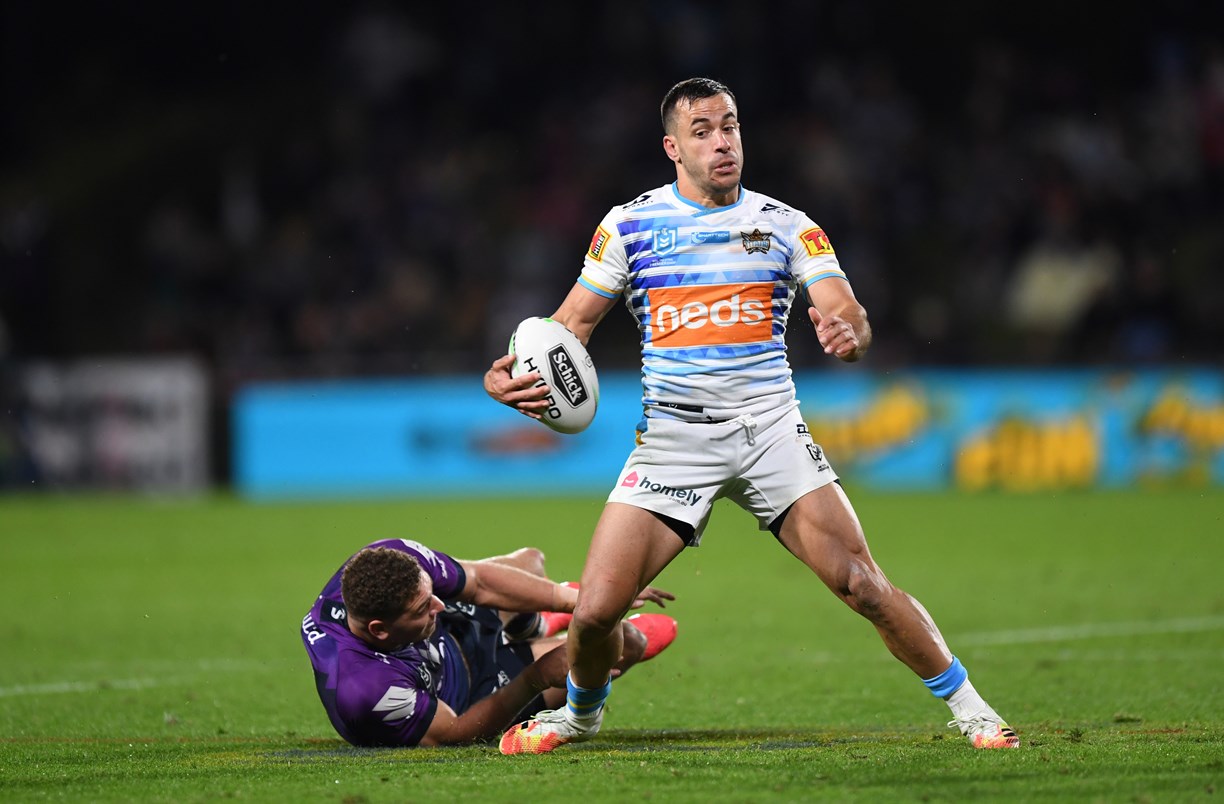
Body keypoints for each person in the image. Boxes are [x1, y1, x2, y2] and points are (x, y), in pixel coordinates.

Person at [484, 77, 1019, 754]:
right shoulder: (629, 225)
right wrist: (514, 374)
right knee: (593, 614)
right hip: (674, 440)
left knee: (863, 585)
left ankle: (975, 712)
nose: (722, 142)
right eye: (703, 131)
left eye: (730, 126)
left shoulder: (789, 226)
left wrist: (849, 332)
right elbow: (569, 327)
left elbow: (846, 308)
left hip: (770, 431)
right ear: (673, 148)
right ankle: (581, 717)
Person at [300, 538, 676, 747]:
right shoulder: (364, 687)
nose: (439, 604)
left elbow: (479, 581)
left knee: (529, 561)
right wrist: (536, 677)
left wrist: (582, 601)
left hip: (450, 636)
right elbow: (453, 732)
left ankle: (533, 623)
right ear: (379, 630)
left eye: (431, 594)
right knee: (628, 642)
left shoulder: (393, 560)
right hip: (467, 697)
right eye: (423, 607)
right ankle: (532, 631)